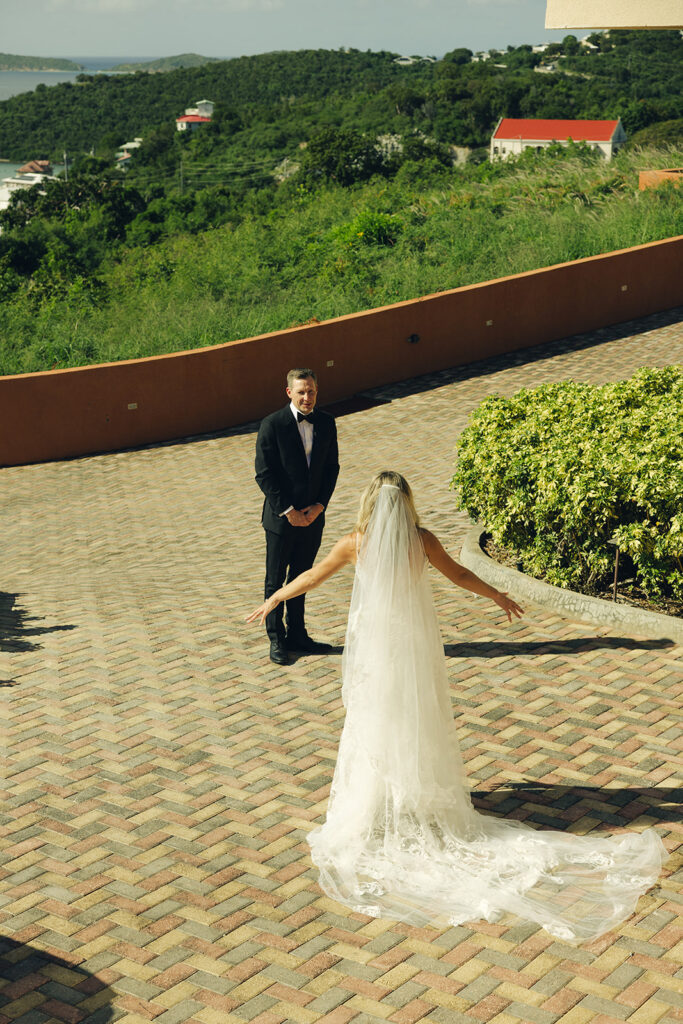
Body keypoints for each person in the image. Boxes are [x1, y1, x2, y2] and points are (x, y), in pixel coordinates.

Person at [247, 471, 666, 942]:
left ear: (368, 503)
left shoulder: (354, 542)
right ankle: (411, 791)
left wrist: (276, 598)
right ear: (406, 503)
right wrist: (497, 595)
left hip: (375, 650)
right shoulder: (421, 539)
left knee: (373, 719)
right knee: (414, 717)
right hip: (412, 648)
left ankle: (380, 801)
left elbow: (312, 576)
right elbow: (462, 575)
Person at [255, 368, 340, 665]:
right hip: (281, 520)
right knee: (275, 580)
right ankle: (277, 639)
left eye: (312, 391)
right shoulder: (272, 425)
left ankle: (298, 635)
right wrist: (288, 511)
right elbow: (263, 474)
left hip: (313, 517)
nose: (307, 397)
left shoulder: (327, 423)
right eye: (302, 392)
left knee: (303, 578)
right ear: (289, 392)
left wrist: (320, 506)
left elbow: (332, 468)